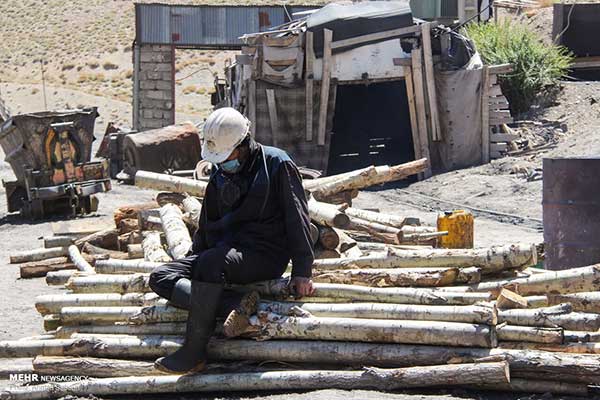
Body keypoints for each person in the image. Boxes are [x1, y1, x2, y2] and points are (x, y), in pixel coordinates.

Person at [148, 107, 315, 374]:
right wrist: (195, 259)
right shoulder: (219, 173)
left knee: (213, 262)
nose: (223, 163)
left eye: (227, 157)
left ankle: (194, 353)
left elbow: (297, 216)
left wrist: (303, 271)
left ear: (244, 144)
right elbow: (206, 223)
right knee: (161, 276)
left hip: (264, 255)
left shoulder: (277, 163)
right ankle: (233, 303)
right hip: (223, 255)